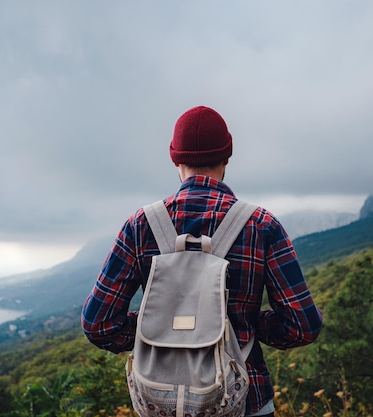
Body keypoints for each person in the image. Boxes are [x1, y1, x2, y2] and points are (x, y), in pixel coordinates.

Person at [81, 105, 323, 417]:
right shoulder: (262, 225)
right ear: (228, 156)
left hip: (162, 403)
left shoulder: (140, 225)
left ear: (174, 157)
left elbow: (98, 324)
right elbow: (303, 326)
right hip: (245, 401)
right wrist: (243, 326)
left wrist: (160, 328)